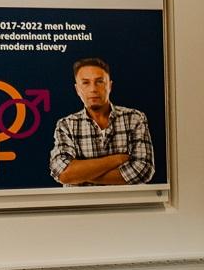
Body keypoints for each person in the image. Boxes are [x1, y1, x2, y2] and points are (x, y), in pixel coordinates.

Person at [49, 57, 156, 186]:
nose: (93, 89)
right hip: (80, 204)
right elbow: (64, 173)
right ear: (77, 89)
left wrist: (81, 175)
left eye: (99, 81)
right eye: (86, 83)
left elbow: (143, 170)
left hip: (127, 204)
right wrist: (118, 159)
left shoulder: (134, 118)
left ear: (109, 85)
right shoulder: (66, 125)